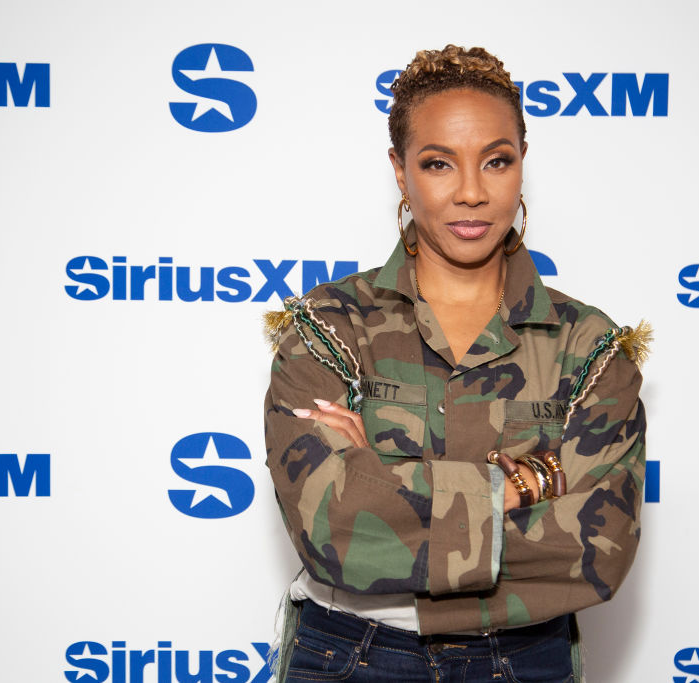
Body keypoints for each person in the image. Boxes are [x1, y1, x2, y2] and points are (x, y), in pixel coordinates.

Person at [263, 44, 650, 683]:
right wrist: (527, 484)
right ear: (399, 170)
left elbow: (596, 550)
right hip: (348, 659)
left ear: (521, 165)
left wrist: (381, 479)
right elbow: (330, 529)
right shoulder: (331, 326)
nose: (471, 192)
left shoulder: (588, 345)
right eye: (439, 163)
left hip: (523, 663)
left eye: (496, 161)